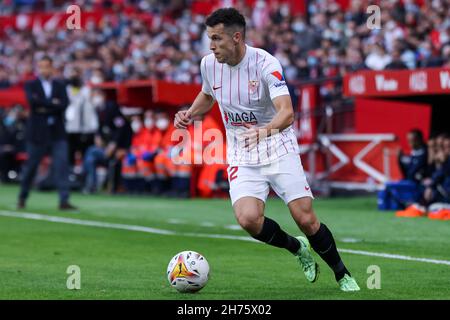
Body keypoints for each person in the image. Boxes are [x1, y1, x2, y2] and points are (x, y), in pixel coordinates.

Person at [173, 8, 359, 292]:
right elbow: (208, 94)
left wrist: (263, 131)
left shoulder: (265, 63)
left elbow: (287, 113)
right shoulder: (208, 64)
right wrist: (189, 113)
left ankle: (342, 273)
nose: (211, 45)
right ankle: (297, 248)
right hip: (242, 152)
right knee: (248, 219)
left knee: (305, 217)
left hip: (276, 144)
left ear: (236, 37)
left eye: (217, 39)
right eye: (209, 38)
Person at [17, 55, 77, 210]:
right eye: (41, 66)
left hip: (57, 132)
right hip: (37, 133)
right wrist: (52, 104)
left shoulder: (60, 85)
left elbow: (63, 104)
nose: (44, 69)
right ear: (38, 68)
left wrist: (44, 107)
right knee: (31, 167)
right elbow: (33, 102)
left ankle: (64, 200)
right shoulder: (31, 85)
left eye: (47, 66)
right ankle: (22, 197)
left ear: (52, 67)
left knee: (62, 165)